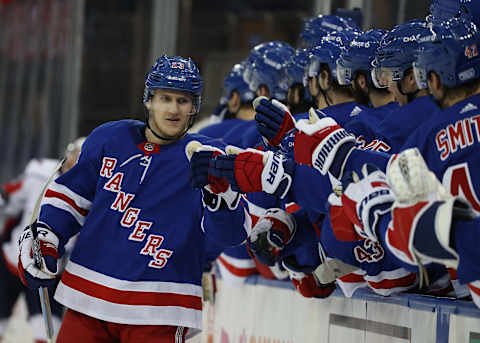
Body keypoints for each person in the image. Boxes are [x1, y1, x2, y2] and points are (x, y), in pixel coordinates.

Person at [18, 55, 248, 343]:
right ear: (149, 100)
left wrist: (222, 198)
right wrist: (47, 238)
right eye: (165, 98)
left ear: (195, 107)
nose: (173, 109)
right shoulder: (109, 138)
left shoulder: (210, 156)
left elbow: (232, 234)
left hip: (159, 310)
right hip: (88, 299)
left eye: (183, 100)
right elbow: (70, 196)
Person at [0, 137, 84, 343]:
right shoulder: (39, 174)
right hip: (14, 259)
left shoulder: (97, 195)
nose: (78, 162)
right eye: (77, 155)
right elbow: (10, 200)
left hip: (50, 271)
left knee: (47, 332)